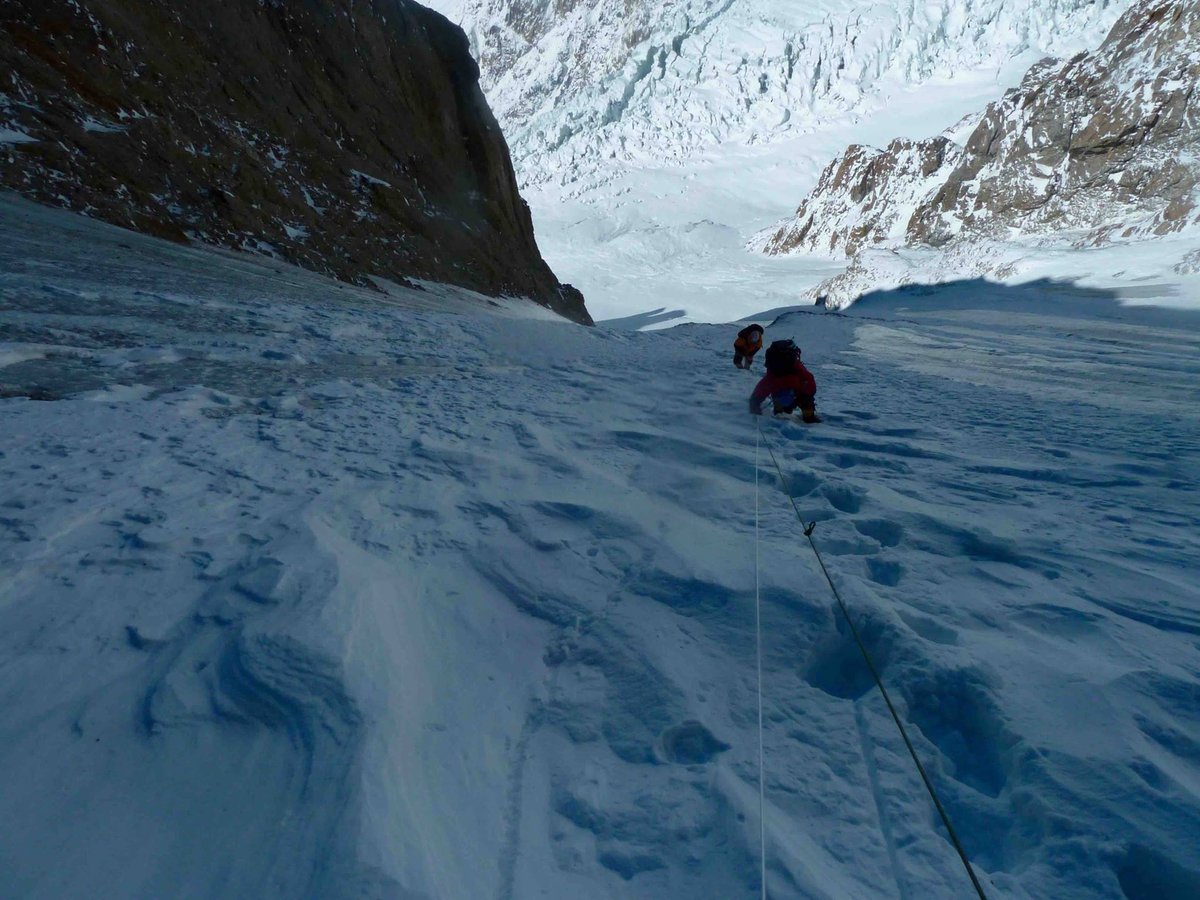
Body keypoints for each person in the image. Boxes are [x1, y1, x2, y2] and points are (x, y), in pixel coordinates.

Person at [749, 339, 821, 423]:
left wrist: (754, 406)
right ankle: (809, 418)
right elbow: (810, 382)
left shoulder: (773, 373)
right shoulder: (796, 367)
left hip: (779, 394)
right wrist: (806, 395)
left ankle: (780, 416)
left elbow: (760, 391)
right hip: (797, 392)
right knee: (806, 401)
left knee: (781, 411)